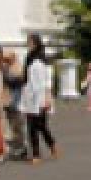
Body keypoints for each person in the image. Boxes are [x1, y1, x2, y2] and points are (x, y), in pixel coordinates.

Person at [21, 33, 57, 164]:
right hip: (30, 95)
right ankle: (36, 154)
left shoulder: (44, 59)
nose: (28, 45)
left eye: (29, 42)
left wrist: (48, 97)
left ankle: (52, 144)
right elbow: (26, 78)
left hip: (42, 95)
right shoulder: (28, 58)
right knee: (31, 126)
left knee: (41, 125)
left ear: (36, 43)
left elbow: (48, 80)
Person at [2, 52, 28, 160]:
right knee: (12, 125)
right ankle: (17, 147)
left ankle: (21, 147)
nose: (6, 60)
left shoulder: (18, 67)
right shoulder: (6, 67)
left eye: (7, 58)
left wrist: (5, 73)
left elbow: (16, 80)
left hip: (17, 101)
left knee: (18, 125)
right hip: (8, 100)